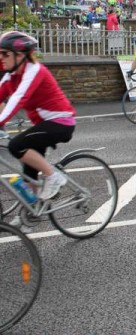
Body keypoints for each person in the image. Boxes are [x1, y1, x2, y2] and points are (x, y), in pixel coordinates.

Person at [0, 32, 76, 231]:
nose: (1, 58)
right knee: (28, 169)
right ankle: (33, 211)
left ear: (21, 55)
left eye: (5, 53)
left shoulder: (35, 71)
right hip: (42, 124)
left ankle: (54, 177)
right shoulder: (10, 76)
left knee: (17, 145)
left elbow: (18, 100)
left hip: (60, 122)